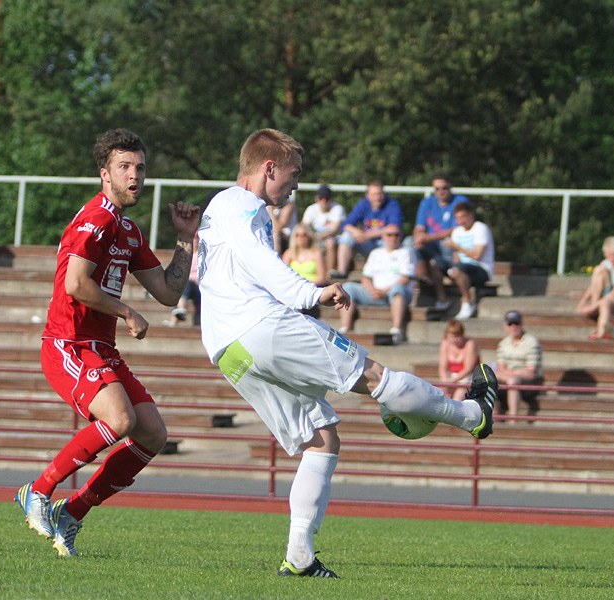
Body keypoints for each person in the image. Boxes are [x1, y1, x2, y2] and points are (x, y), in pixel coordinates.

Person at [197, 128, 498, 578]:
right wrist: (309, 292)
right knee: (374, 377)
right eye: (293, 174)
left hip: (227, 348)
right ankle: (473, 415)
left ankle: (299, 555)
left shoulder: (218, 206)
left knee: (321, 437)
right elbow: (260, 262)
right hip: (262, 326)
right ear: (268, 168)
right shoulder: (246, 206)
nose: (296, 185)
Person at [14, 129, 200, 557]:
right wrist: (127, 312)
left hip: (101, 350)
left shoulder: (128, 230)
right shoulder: (95, 219)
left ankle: (71, 513)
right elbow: (77, 285)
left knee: (152, 434)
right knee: (120, 420)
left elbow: (170, 293)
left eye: (140, 167)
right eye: (125, 167)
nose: (135, 175)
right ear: (105, 174)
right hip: (68, 343)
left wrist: (185, 238)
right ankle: (37, 492)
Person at [337, 224, 415, 344]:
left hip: (394, 294)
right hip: (375, 293)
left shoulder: (406, 252)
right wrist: (372, 290)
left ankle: (397, 330)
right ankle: (345, 329)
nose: (393, 238)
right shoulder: (375, 253)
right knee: (347, 288)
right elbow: (366, 278)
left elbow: (405, 279)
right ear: (383, 237)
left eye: (397, 235)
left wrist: (384, 291)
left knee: (398, 289)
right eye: (389, 235)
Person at [410, 172, 467, 309]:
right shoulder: (427, 202)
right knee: (409, 242)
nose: (441, 192)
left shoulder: (460, 201)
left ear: (450, 187)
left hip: (448, 246)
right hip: (430, 245)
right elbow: (419, 226)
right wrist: (419, 237)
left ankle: (450, 278)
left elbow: (458, 229)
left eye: (444, 188)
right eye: (437, 189)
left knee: (447, 244)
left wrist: (428, 237)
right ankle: (422, 276)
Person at [331, 181, 403, 278]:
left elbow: (393, 228)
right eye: (374, 194)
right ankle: (342, 272)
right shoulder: (363, 204)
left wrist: (367, 235)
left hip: (385, 244)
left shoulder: (392, 204)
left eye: (380, 193)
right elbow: (346, 225)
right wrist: (356, 232)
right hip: (367, 244)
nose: (378, 197)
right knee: (346, 236)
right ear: (368, 195)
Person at [443, 202, 494, 320]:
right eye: (458, 218)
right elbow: (456, 258)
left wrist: (457, 247)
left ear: (471, 215)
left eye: (463, 216)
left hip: (481, 269)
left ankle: (467, 301)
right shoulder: (457, 232)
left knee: (458, 269)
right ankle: (442, 300)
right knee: (438, 263)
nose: (461, 221)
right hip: (463, 268)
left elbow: (477, 256)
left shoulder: (481, 229)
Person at [495, 310, 543, 425]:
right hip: (512, 377)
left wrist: (508, 374)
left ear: (521, 324)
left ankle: (513, 419)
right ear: (505, 326)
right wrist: (518, 372)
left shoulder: (531, 342)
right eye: (510, 324)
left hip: (531, 382)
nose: (513, 327)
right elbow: (501, 368)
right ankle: (493, 417)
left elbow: (531, 371)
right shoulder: (503, 343)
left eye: (516, 323)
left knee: (512, 381)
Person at [301, 184, 346, 273]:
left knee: (330, 242)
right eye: (321, 198)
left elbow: (333, 230)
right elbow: (304, 226)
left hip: (334, 239)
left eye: (327, 198)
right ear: (316, 199)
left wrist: (316, 237)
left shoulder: (337, 209)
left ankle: (329, 271)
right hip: (315, 238)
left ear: (331, 199)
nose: (324, 201)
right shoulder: (311, 209)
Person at [437, 319, 481, 401]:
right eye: (452, 337)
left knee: (459, 395)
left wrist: (452, 381)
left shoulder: (470, 344)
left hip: (469, 378)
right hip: (452, 377)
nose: (454, 340)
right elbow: (443, 368)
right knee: (440, 393)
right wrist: (446, 382)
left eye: (457, 337)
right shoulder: (445, 343)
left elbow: (468, 369)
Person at [166, 231, 201, 326]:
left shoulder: (204, 255)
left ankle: (179, 312)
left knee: (185, 284)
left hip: (199, 286)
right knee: (183, 284)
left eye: (198, 237)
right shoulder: (185, 255)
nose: (196, 239)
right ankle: (178, 312)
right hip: (187, 285)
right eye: (194, 237)